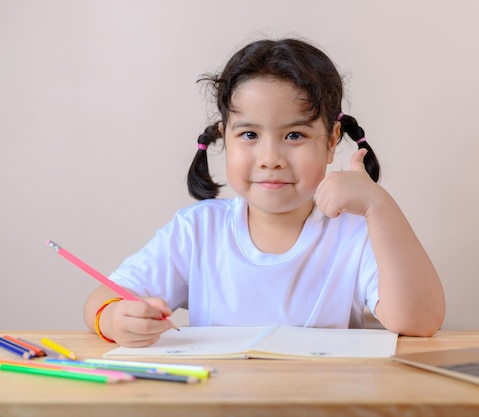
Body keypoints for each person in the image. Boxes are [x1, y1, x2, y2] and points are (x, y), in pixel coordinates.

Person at [84, 38, 445, 347]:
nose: (270, 159)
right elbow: (100, 299)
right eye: (249, 135)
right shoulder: (196, 231)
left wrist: (380, 206)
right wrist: (114, 318)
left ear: (332, 141)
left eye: (294, 136)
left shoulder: (356, 231)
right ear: (224, 137)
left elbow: (420, 321)